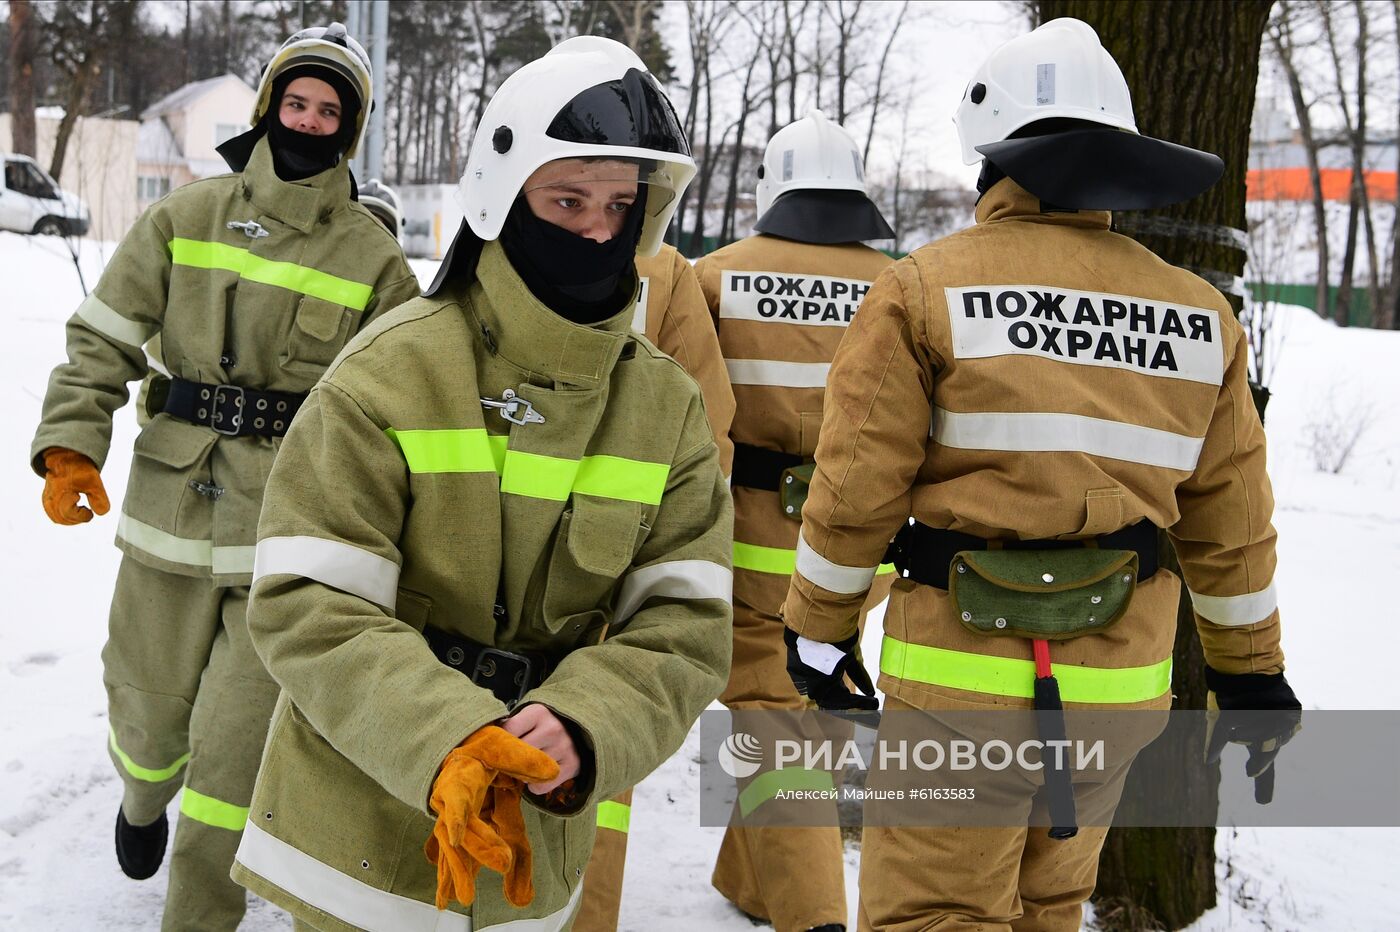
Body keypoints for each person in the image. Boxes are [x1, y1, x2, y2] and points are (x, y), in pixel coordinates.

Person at [780, 18, 1302, 931]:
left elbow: (855, 487)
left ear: (995, 160)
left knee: (934, 914)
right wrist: (1252, 676)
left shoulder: (921, 291)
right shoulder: (1200, 317)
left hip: (956, 690)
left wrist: (817, 631)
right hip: (1118, 699)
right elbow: (1233, 528)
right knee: (1050, 908)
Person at [229, 36, 733, 931]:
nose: (596, 230)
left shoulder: (667, 405)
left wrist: (583, 725)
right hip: (361, 836)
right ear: (505, 198)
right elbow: (308, 602)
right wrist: (446, 735)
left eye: (622, 205)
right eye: (567, 198)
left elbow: (683, 626)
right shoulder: (390, 370)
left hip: (533, 850)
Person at [28, 21, 419, 930]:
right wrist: (71, 443)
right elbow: (104, 338)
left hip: (287, 531)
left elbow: (405, 404)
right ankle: (139, 799)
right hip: (170, 506)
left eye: (330, 110)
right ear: (270, 106)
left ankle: (198, 914)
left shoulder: (374, 258)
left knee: (235, 745)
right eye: (298, 101)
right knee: (147, 708)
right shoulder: (184, 216)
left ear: (349, 129)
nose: (310, 120)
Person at [693, 109, 896, 932]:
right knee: (802, 705)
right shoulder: (902, 281)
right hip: (862, 549)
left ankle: (812, 916)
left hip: (755, 538)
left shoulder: (713, 277)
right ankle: (749, 883)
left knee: (775, 725)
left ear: (767, 187)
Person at [573, 242, 736, 931]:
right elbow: (709, 418)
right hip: (614, 543)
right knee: (595, 738)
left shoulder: (489, 241)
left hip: (502, 543)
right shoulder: (664, 269)